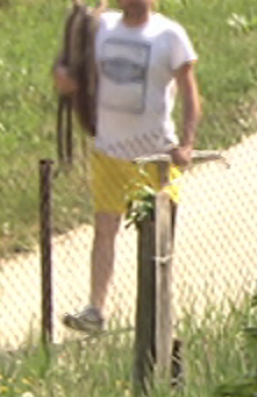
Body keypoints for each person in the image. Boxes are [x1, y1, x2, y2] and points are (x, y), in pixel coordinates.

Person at [52, 0, 201, 335]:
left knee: (158, 234)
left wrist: (187, 143)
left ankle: (157, 311)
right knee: (105, 230)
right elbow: (75, 69)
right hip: (109, 153)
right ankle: (95, 310)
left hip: (156, 158)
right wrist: (65, 81)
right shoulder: (101, 28)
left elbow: (191, 93)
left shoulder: (170, 35)